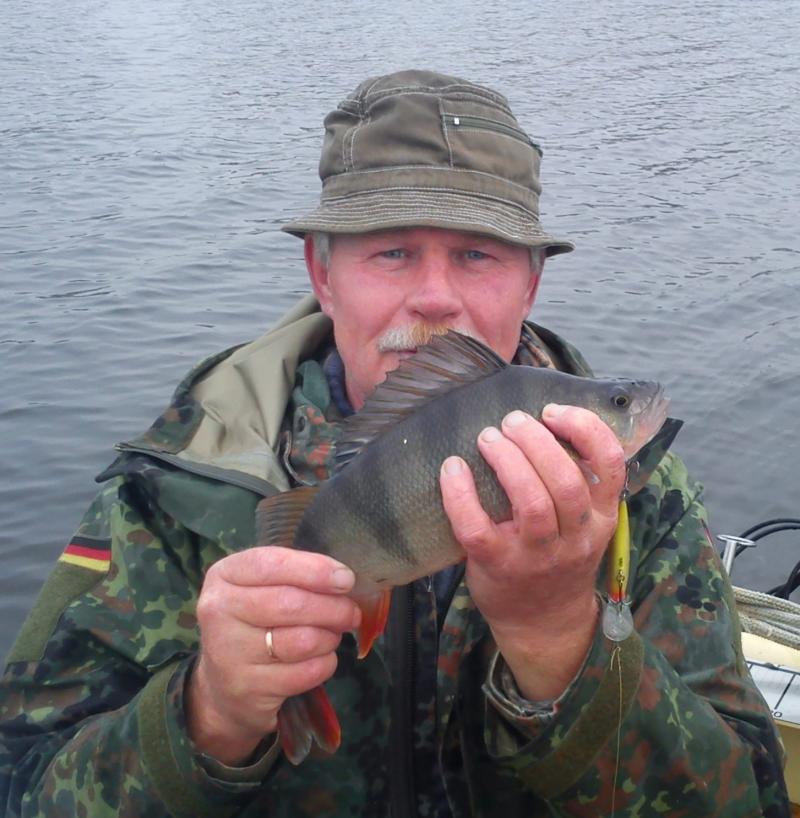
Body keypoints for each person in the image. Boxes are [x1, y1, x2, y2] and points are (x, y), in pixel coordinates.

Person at [0, 70, 789, 818]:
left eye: (477, 254)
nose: (435, 297)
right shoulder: (176, 485)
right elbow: (24, 783)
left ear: (531, 282)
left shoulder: (640, 493)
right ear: (323, 274)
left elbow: (744, 797)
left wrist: (556, 637)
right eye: (391, 251)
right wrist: (209, 713)